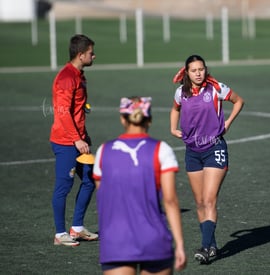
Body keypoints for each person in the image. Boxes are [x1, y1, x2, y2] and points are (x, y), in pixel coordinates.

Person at [93, 97, 187, 275]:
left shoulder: (103, 151)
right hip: (153, 240)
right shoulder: (161, 149)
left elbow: (103, 194)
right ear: (149, 119)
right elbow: (170, 201)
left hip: (116, 242)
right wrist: (180, 244)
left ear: (123, 119)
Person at [170, 54, 244, 264]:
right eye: (194, 70)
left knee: (210, 199)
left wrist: (228, 122)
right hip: (192, 151)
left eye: (201, 69)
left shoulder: (216, 88)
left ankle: (205, 247)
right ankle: (212, 246)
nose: (198, 73)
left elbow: (239, 101)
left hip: (214, 148)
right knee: (200, 202)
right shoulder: (180, 92)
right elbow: (175, 109)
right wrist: (172, 129)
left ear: (205, 69)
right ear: (187, 72)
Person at [50, 34, 98, 246]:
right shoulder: (66, 78)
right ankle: (60, 234)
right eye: (90, 53)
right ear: (80, 55)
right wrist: (76, 139)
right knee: (63, 186)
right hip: (66, 142)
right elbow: (62, 112)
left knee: (91, 179)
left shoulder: (79, 75)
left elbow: (75, 108)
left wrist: (83, 132)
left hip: (79, 139)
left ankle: (77, 228)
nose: (94, 56)